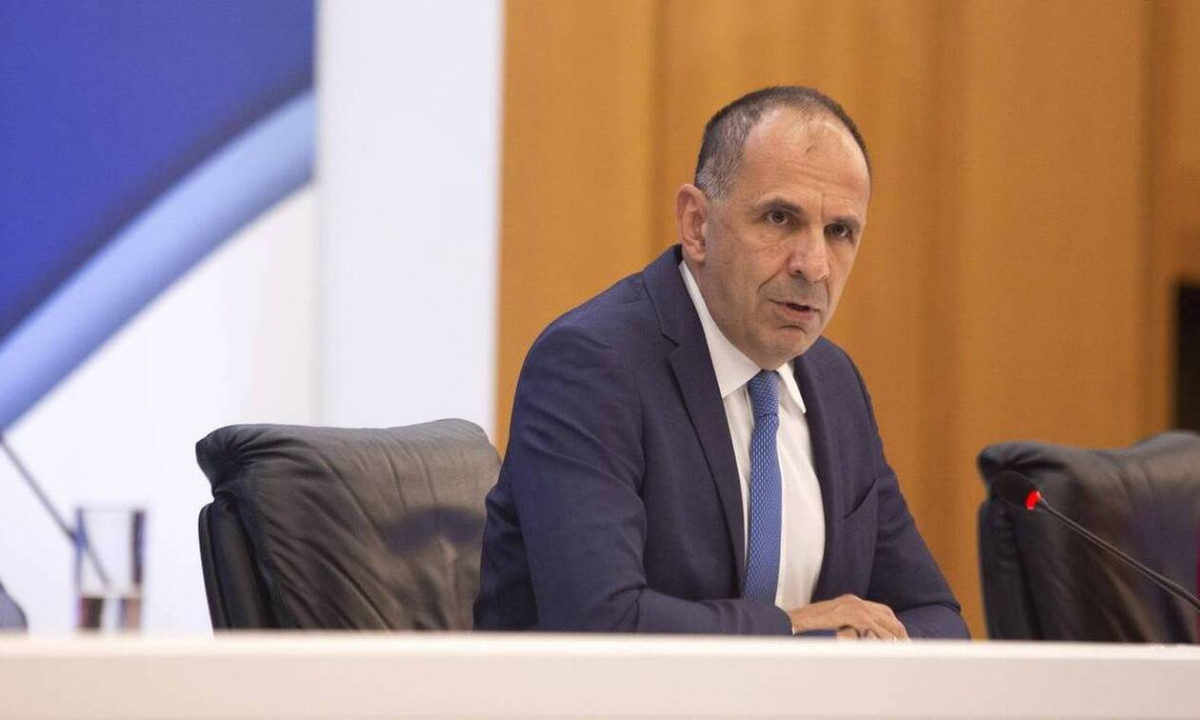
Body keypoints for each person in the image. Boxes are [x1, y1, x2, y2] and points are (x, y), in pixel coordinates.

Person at [475, 86, 968, 639]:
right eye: (780, 218)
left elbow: (937, 618)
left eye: (840, 232)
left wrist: (854, 647)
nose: (814, 266)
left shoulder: (834, 383)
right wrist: (796, 631)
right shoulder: (591, 367)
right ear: (697, 225)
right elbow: (603, 624)